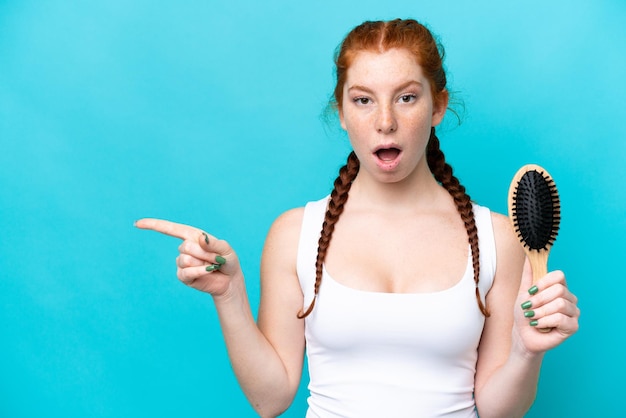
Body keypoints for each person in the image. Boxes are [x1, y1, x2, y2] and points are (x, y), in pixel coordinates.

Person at [135, 18, 580, 418]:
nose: (385, 121)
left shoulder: (498, 238)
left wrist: (525, 350)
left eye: (406, 97)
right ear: (342, 113)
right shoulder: (296, 235)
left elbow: (501, 410)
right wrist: (229, 293)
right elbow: (270, 399)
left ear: (438, 106)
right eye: (363, 100)